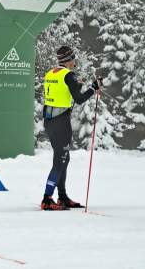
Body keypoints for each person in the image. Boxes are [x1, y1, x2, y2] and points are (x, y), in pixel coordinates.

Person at [41, 45, 103, 211]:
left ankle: (62, 197)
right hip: (61, 122)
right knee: (60, 159)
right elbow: (80, 99)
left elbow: (63, 92)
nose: (75, 61)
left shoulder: (51, 73)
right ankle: (47, 198)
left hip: (49, 120)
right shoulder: (69, 75)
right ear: (69, 60)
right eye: (73, 58)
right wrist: (93, 88)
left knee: (63, 158)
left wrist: (77, 84)